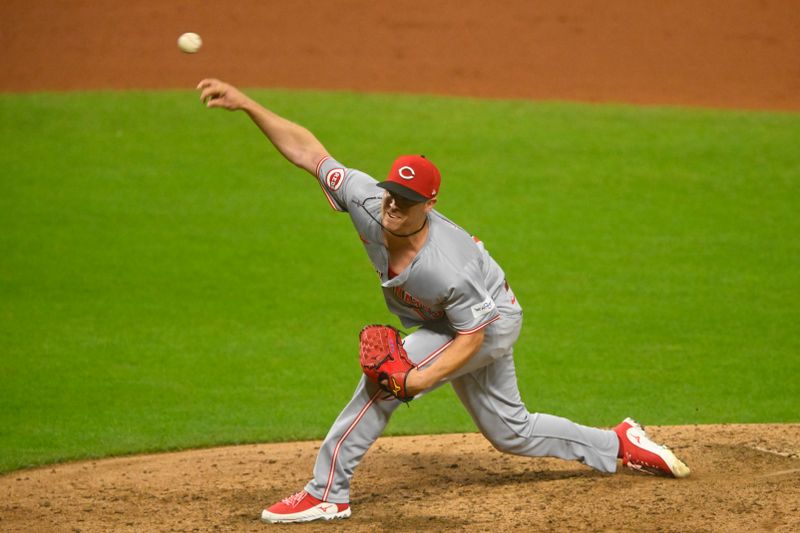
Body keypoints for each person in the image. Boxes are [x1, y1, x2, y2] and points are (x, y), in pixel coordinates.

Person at [195, 79, 691, 524]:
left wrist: (415, 380)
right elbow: (310, 153)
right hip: (452, 319)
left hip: (485, 323)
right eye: (391, 194)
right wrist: (247, 105)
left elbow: (473, 334)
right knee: (510, 432)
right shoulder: (369, 201)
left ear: (428, 206)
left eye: (406, 202)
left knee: (382, 383)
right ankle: (619, 442)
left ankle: (327, 492)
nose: (392, 205)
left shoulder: (448, 264)